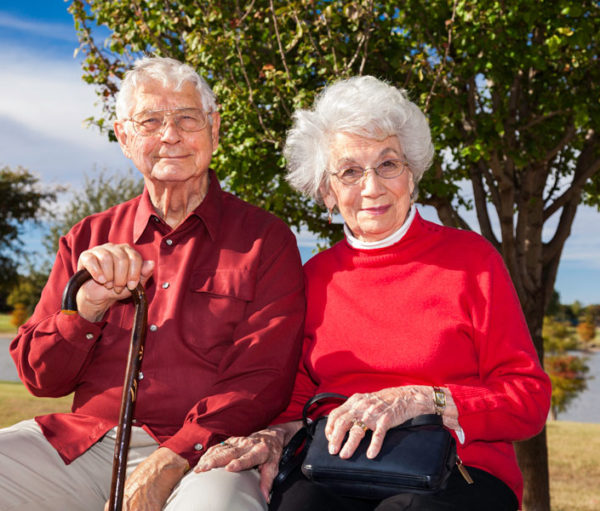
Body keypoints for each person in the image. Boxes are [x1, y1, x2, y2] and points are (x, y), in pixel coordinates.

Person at [195, 76, 552, 511]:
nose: (371, 187)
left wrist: (424, 400)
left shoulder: (472, 261)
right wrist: (274, 435)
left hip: (458, 470)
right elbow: (297, 400)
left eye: (387, 164)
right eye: (349, 171)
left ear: (412, 171)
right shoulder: (312, 277)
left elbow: (527, 397)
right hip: (336, 467)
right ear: (327, 192)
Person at [2, 57, 305, 511]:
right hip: (85, 444)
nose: (170, 135)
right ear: (125, 138)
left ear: (215, 130)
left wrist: (171, 458)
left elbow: (262, 379)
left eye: (187, 118)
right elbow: (39, 377)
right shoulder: (87, 237)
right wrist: (84, 309)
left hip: (208, 455)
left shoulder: (266, 239)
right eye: (150, 121)